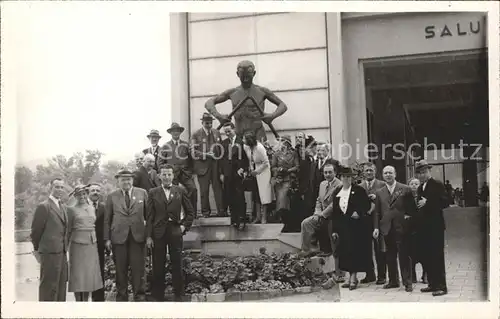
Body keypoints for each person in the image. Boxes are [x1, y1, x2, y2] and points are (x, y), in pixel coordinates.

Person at [205, 60, 288, 142]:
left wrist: (272, 116)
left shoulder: (262, 91)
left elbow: (282, 106)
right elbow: (209, 103)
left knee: (260, 154)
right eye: (243, 75)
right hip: (239, 135)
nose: (245, 78)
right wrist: (219, 116)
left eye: (248, 75)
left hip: (258, 134)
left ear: (254, 73)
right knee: (238, 154)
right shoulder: (232, 92)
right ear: (238, 74)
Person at [146, 164, 195, 302]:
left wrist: (184, 227)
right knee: (158, 264)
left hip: (175, 230)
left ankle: (179, 294)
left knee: (177, 263)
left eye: (169, 174)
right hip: (158, 233)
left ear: (173, 176)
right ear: (159, 176)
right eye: (164, 174)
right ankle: (158, 295)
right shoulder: (153, 192)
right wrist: (149, 236)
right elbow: (149, 216)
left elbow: (190, 213)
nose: (167, 177)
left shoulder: (180, 190)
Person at [104, 169, 148, 301]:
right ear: (118, 181)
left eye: (128, 179)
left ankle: (139, 296)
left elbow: (149, 216)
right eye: (123, 179)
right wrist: (107, 239)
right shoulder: (112, 196)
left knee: (138, 269)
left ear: (132, 180)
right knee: (120, 270)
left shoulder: (142, 193)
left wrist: (149, 235)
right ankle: (121, 297)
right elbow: (107, 219)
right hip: (118, 238)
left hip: (138, 237)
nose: (126, 182)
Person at [373, 166, 417, 292]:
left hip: (401, 228)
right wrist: (376, 227)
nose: (388, 175)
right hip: (386, 228)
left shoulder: (405, 189)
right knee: (389, 256)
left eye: (390, 173)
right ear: (382, 175)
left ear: (395, 174)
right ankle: (393, 281)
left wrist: (408, 222)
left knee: (404, 255)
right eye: (385, 173)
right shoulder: (379, 192)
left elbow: (411, 209)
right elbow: (377, 212)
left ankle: (407, 282)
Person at [331, 165, 372, 290]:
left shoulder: (358, 190)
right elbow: (335, 212)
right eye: (344, 177)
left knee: (354, 252)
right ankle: (349, 277)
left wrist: (358, 212)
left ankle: (354, 279)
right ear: (341, 178)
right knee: (345, 253)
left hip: (356, 227)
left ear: (352, 178)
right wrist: (334, 230)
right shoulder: (337, 192)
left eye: (349, 177)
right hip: (343, 227)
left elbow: (366, 205)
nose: (346, 179)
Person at [30, 177, 69, 301]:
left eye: (62, 187)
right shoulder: (44, 207)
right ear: (50, 187)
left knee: (61, 287)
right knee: (49, 287)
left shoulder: (62, 206)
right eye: (57, 186)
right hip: (49, 253)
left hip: (62, 253)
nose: (60, 189)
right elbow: (36, 231)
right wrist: (37, 250)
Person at [300, 162, 342, 271]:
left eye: (330, 172)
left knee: (325, 226)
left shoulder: (339, 185)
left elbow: (335, 204)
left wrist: (323, 214)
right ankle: (308, 249)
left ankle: (336, 266)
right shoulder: (323, 184)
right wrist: (317, 212)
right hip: (321, 214)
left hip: (334, 216)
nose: (327, 174)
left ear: (335, 173)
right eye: (325, 172)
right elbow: (319, 200)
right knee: (306, 223)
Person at [415, 160, 449, 297]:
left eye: (424, 171)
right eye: (419, 172)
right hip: (424, 227)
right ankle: (432, 284)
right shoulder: (420, 187)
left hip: (435, 227)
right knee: (427, 256)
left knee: (437, 256)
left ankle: (441, 286)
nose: (422, 174)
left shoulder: (437, 185)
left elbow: (446, 201)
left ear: (429, 171)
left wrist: (427, 202)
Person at [67, 185, 103, 302]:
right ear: (75, 196)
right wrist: (65, 247)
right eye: (79, 195)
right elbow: (68, 229)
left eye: (84, 194)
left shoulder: (91, 208)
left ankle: (87, 303)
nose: (82, 196)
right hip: (78, 245)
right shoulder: (71, 209)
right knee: (79, 276)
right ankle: (79, 304)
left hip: (92, 245)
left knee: (89, 276)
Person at [160, 122, 198, 216]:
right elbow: (160, 162)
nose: (175, 133)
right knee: (173, 193)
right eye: (173, 131)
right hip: (172, 175)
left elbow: (192, 159)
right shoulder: (166, 146)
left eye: (177, 131)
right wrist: (164, 174)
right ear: (171, 133)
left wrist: (191, 172)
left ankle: (192, 213)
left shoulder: (186, 144)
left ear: (180, 132)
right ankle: (174, 214)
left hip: (185, 173)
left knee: (193, 189)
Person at [191, 112, 224, 217]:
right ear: (202, 122)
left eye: (210, 123)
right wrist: (206, 155)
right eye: (206, 123)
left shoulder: (216, 133)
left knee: (218, 189)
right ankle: (206, 212)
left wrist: (221, 168)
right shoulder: (196, 134)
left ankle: (221, 211)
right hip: (202, 166)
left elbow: (221, 149)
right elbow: (193, 152)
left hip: (215, 166)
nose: (209, 125)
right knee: (204, 191)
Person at [359, 162, 387, 285]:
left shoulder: (382, 184)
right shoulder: (359, 186)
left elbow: (386, 201)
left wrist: (376, 197)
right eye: (367, 170)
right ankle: (369, 274)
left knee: (379, 249)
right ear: (363, 172)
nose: (369, 172)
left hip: (378, 221)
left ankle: (382, 276)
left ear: (375, 171)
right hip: (364, 222)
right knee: (365, 249)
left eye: (371, 170)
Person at [219, 122, 248, 229]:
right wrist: (221, 173)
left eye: (229, 131)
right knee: (229, 196)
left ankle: (242, 219)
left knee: (239, 196)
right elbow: (221, 160)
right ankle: (234, 219)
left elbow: (246, 158)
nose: (227, 133)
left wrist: (243, 168)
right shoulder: (224, 143)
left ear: (234, 129)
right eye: (225, 132)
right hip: (227, 174)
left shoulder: (241, 142)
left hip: (238, 174)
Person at [242, 131, 273, 224]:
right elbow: (250, 159)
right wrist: (251, 170)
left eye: (244, 139)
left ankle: (264, 217)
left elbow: (266, 163)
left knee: (263, 195)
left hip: (263, 172)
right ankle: (258, 217)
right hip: (254, 171)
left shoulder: (260, 148)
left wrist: (257, 171)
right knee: (255, 195)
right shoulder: (246, 147)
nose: (243, 140)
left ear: (249, 140)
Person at [271, 135, 299, 232]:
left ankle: (286, 221)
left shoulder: (293, 153)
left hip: (289, 179)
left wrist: (288, 170)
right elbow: (273, 167)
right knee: (280, 200)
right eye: (281, 141)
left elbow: (297, 166)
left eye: (284, 141)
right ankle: (281, 219)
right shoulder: (276, 154)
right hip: (279, 180)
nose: (282, 143)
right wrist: (279, 170)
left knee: (285, 200)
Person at [88, 183, 107, 302]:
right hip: (84, 244)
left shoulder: (104, 207)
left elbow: (107, 224)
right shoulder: (82, 206)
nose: (95, 192)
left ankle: (99, 300)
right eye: (93, 190)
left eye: (98, 190)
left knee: (99, 271)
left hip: (99, 244)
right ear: (88, 193)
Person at [408, 177, 427, 284]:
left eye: (416, 184)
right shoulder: (405, 198)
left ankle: (425, 275)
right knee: (411, 255)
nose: (414, 186)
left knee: (424, 254)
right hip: (410, 230)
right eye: (412, 184)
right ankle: (412, 276)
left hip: (422, 230)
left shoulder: (424, 198)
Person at [295, 134, 317, 219]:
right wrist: (303, 190)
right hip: (305, 188)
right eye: (313, 147)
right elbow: (303, 175)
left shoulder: (312, 159)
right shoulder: (305, 161)